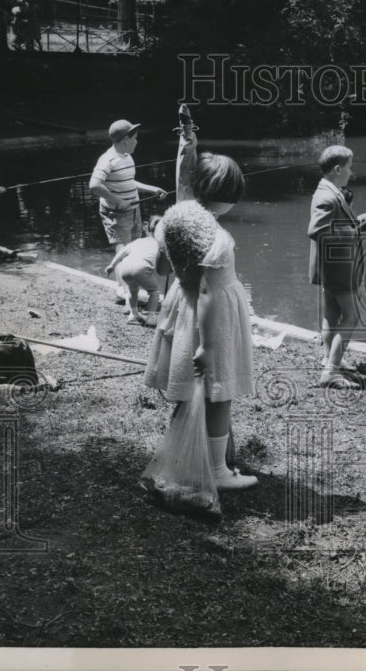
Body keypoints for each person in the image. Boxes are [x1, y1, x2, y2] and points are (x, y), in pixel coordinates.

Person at [144, 151, 257, 490]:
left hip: (182, 306)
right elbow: (209, 290)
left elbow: (162, 269)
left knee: (190, 387)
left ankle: (189, 455)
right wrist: (207, 346)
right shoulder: (217, 237)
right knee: (219, 391)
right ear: (232, 196)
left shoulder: (172, 218)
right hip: (213, 318)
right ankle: (218, 471)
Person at [307, 145, 366, 389]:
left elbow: (340, 224)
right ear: (338, 168)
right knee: (352, 316)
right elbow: (317, 231)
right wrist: (354, 229)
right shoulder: (328, 196)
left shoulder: (330, 190)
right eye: (349, 167)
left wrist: (363, 220)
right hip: (338, 268)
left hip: (331, 267)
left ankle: (331, 360)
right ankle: (330, 371)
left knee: (332, 314)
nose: (351, 172)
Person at [88, 119, 168, 302]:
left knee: (133, 250)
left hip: (133, 209)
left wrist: (152, 189)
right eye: (135, 138)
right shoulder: (107, 159)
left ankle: (131, 291)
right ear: (125, 139)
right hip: (116, 213)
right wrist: (118, 201)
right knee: (122, 251)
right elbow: (94, 185)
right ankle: (122, 291)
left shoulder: (127, 157)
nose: (137, 142)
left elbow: (129, 182)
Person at [105, 216, 164, 326]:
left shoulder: (138, 241)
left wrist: (112, 265)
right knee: (154, 291)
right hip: (140, 269)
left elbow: (123, 251)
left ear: (146, 229)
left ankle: (133, 314)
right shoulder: (160, 245)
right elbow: (164, 266)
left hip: (125, 269)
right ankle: (151, 317)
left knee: (133, 289)